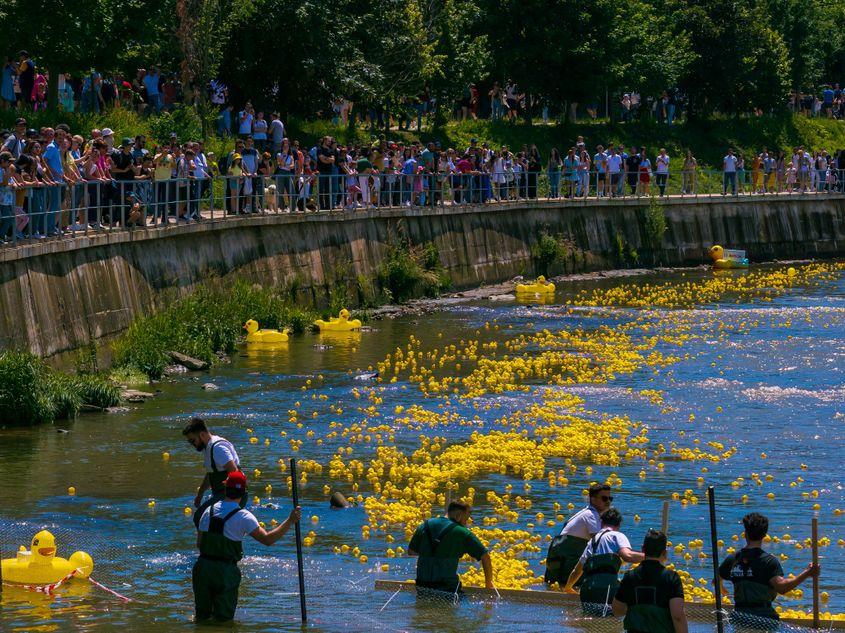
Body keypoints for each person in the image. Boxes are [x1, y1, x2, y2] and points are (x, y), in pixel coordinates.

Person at [193, 470, 301, 623]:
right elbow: (268, 540)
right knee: (223, 622)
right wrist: (290, 521)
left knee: (201, 619)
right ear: (244, 493)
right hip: (225, 573)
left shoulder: (207, 511)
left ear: (225, 488)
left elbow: (199, 544)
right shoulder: (244, 516)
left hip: (202, 569)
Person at [719, 512, 819, 629]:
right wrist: (807, 573)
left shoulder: (733, 559)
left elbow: (717, 577)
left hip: (739, 619)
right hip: (765, 621)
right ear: (764, 535)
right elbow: (782, 587)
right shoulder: (768, 562)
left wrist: (721, 587)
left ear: (745, 533)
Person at [563, 507, 644, 615]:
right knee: (611, 620)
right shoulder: (618, 536)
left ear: (601, 523)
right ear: (618, 525)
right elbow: (628, 556)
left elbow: (577, 571)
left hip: (588, 590)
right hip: (609, 590)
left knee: (589, 621)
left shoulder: (592, 542)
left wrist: (568, 587)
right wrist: (651, 556)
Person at [408, 501, 493, 594]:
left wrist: (431, 553)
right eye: (465, 519)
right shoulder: (462, 532)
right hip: (448, 589)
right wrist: (488, 587)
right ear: (459, 515)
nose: (465, 524)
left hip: (422, 587)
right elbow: (485, 557)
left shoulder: (425, 525)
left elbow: (411, 551)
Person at [612, 529, 687, 633]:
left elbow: (617, 610)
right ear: (665, 553)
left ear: (643, 549)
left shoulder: (629, 577)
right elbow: (677, 616)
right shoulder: (672, 578)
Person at [544, 483, 613, 586]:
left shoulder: (586, 512)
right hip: (568, 559)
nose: (608, 502)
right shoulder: (591, 515)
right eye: (604, 498)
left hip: (561, 558)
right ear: (593, 499)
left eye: (610, 498)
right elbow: (600, 541)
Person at [182, 417, 245, 528]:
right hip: (222, 494)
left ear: (202, 435)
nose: (192, 444)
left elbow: (234, 471)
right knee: (204, 520)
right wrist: (200, 494)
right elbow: (211, 473)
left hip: (233, 495)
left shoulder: (218, 448)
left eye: (193, 441)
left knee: (200, 517)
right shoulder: (208, 447)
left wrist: (229, 500)